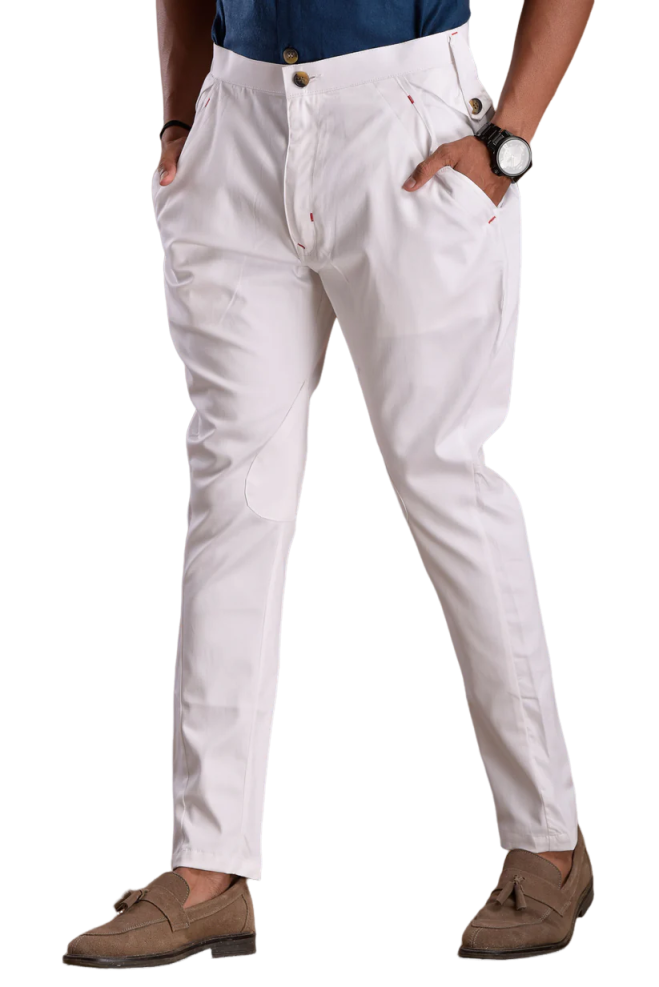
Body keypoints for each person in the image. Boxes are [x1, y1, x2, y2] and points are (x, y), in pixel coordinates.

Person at [62, 0, 597, 968]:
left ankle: (546, 841)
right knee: (231, 491)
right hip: (235, 123)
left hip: (407, 123)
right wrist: (181, 119)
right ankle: (207, 868)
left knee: (442, 479)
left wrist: (505, 142)